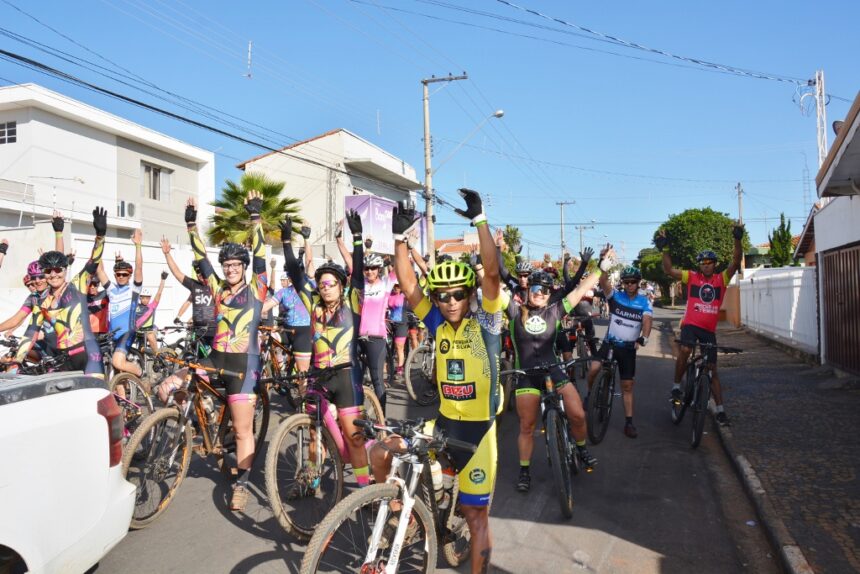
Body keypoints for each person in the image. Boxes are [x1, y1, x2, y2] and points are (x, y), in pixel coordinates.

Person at [378, 189, 502, 574]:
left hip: (479, 433)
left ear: (469, 296)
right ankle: (403, 512)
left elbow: (493, 273)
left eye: (458, 295)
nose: (449, 302)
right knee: (382, 451)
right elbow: (408, 282)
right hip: (444, 422)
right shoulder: (435, 323)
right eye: (443, 296)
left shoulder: (486, 323)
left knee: (475, 515)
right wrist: (399, 239)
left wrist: (479, 220)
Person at [185, 193, 268, 511]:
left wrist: (255, 219)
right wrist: (192, 225)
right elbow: (202, 260)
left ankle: (242, 485)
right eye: (227, 265)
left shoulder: (256, 289)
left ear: (244, 268)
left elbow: (260, 257)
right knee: (177, 381)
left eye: (236, 265)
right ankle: (201, 431)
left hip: (244, 366)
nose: (231, 269)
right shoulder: (217, 288)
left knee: (244, 428)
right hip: (215, 358)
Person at [282, 210, 372, 489]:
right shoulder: (314, 306)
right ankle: (313, 477)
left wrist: (357, 238)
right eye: (321, 284)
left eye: (331, 283)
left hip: (347, 376)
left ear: (341, 286)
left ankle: (364, 488)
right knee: (313, 429)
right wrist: (287, 241)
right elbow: (296, 275)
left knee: (354, 437)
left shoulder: (352, 304)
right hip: (319, 374)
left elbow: (358, 275)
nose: (325, 287)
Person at [508, 264, 602, 493]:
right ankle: (524, 471)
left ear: (550, 294)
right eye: (536, 288)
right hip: (527, 375)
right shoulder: (513, 311)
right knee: (527, 426)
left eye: (545, 290)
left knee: (578, 415)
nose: (540, 292)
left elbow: (579, 291)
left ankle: (580, 448)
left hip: (553, 370)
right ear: (528, 290)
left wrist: (600, 269)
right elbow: (492, 282)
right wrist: (482, 265)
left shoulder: (555, 311)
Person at [658, 223, 744, 426]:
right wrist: (665, 249)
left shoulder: (721, 279)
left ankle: (721, 411)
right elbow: (669, 270)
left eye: (709, 262)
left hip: (708, 331)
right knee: (686, 349)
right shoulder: (692, 276)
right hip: (691, 325)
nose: (706, 265)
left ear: (714, 264)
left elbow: (735, 260)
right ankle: (677, 386)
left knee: (712, 369)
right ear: (699, 265)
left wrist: (737, 239)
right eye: (702, 262)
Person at [14, 208, 107, 377]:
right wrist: (17, 360)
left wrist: (100, 236)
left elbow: (93, 262)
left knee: (95, 399)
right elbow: (31, 332)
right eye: (48, 271)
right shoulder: (42, 303)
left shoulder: (77, 284)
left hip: (88, 353)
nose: (54, 274)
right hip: (63, 358)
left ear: (65, 270)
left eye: (58, 270)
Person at [586, 255, 652, 439]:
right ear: (622, 283)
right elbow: (603, 280)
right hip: (610, 344)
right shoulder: (615, 296)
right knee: (593, 369)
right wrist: (603, 264)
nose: (629, 285)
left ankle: (629, 422)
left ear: (638, 283)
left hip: (628, 349)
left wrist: (644, 338)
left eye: (633, 282)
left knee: (627, 386)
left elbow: (647, 320)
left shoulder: (644, 302)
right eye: (626, 282)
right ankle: (590, 397)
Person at [97, 229, 144, 378]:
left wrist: (138, 246)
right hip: (112, 334)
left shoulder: (134, 289)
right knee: (116, 370)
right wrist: (99, 240)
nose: (121, 277)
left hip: (127, 332)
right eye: (118, 274)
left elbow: (139, 267)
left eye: (125, 274)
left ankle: (140, 372)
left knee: (117, 362)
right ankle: (122, 399)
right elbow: (99, 270)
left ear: (129, 275)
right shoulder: (111, 289)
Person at [161, 241, 216, 353]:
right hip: (198, 331)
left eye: (203, 272)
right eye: (198, 272)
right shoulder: (194, 285)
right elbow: (177, 273)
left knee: (214, 363)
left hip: (214, 331)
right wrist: (167, 254)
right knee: (197, 362)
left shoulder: (216, 285)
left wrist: (203, 253)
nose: (201, 275)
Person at [134, 272, 167, 352]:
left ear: (150, 299)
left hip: (150, 330)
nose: (145, 300)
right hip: (138, 330)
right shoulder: (135, 306)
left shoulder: (152, 306)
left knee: (150, 336)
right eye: (143, 298)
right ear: (140, 298)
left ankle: (157, 356)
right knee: (140, 350)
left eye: (147, 298)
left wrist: (163, 280)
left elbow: (159, 293)